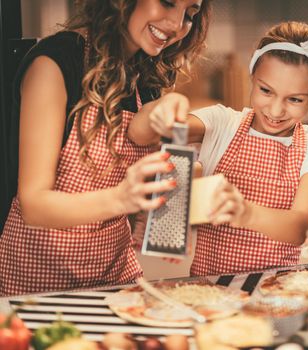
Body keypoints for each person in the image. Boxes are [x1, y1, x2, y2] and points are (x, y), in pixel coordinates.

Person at [0, 0, 211, 296]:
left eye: (190, 14)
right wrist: (122, 198)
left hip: (115, 276)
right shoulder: (54, 64)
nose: (177, 25)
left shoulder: (144, 78)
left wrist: (167, 209)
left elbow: (136, 150)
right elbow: (34, 205)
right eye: (167, 2)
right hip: (39, 279)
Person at [130, 21, 308, 276]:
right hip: (208, 291)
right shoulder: (222, 124)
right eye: (266, 91)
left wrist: (245, 213)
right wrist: (164, 107)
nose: (276, 110)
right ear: (252, 79)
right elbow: (141, 133)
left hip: (278, 291)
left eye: (295, 99)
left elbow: (299, 227)